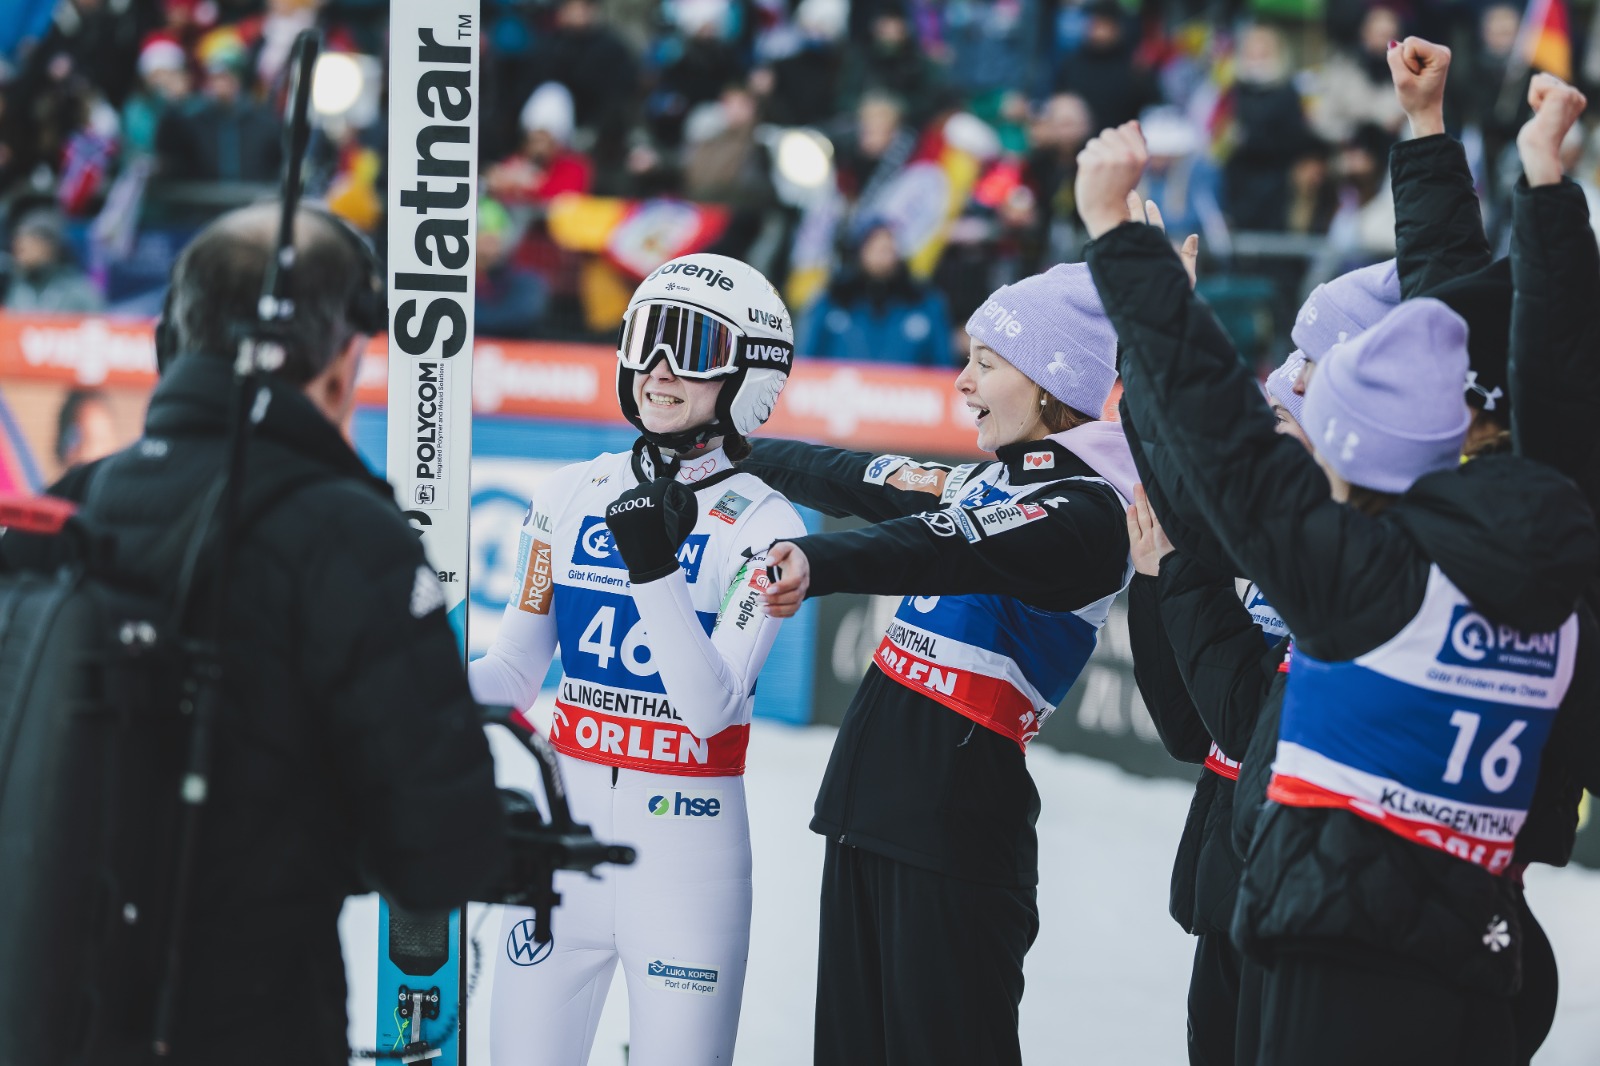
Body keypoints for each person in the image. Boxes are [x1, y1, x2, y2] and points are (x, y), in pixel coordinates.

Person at [1080, 120, 1598, 1066]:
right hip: (1487, 954)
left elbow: (1219, 445)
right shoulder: (1567, 576)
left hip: (1339, 967)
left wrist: (1121, 247)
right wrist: (1545, 194)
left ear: (1347, 450)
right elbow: (1556, 385)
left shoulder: (1362, 581)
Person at [5, 203, 509, 1065]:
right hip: (254, 1015)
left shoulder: (72, 506)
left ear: (177, 338)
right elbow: (441, 855)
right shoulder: (353, 537)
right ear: (341, 363)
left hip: (55, 1006)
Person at [750, 262, 1138, 1065]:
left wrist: (818, 561)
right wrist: (734, 451)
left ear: (1048, 383)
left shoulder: (1087, 513)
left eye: (986, 363)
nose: (963, 382)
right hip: (870, 811)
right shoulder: (990, 483)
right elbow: (855, 474)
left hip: (953, 835)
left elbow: (942, 546)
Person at [469, 253, 806, 1065]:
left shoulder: (765, 524)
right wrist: (403, 674)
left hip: (687, 857)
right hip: (565, 841)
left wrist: (651, 566)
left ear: (748, 375)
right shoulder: (567, 494)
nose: (659, 369)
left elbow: (711, 708)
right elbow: (515, 670)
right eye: (647, 337)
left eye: (691, 346)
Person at [796, 217, 952, 366]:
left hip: (907, 392)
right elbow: (805, 359)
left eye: (888, 249)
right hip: (841, 389)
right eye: (876, 248)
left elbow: (943, 364)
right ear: (860, 251)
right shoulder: (832, 299)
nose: (883, 256)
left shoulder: (925, 303)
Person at [4, 209, 103, 312]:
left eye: (23, 250)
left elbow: (99, 323)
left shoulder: (77, 291)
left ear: (48, 247)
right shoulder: (17, 288)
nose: (18, 256)